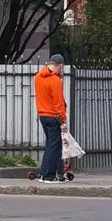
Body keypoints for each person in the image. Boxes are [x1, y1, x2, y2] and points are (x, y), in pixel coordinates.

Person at [35, 53, 68, 183]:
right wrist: (63, 122)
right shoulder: (55, 81)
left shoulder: (38, 77)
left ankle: (46, 173)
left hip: (43, 115)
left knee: (50, 145)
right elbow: (58, 103)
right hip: (54, 117)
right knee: (54, 147)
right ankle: (49, 176)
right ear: (60, 65)